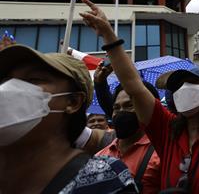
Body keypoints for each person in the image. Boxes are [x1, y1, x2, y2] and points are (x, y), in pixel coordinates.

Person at [79, 0, 199, 193]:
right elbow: (134, 86)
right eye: (176, 86)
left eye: (192, 82)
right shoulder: (167, 131)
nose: (182, 89)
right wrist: (108, 34)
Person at [0, 44, 137, 193]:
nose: (9, 89)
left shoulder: (104, 179)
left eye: (33, 79)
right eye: (6, 80)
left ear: (73, 102)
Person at [97, 83, 162, 194]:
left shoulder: (161, 154)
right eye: (116, 108)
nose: (121, 112)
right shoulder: (100, 157)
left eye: (129, 106)